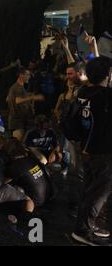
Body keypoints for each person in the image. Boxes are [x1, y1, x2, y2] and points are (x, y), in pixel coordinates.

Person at [71, 57, 112, 246]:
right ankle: (83, 229)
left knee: (89, 189)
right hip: (102, 152)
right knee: (99, 192)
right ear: (107, 75)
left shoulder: (83, 92)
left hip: (86, 149)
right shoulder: (106, 96)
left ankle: (87, 224)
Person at [6, 67, 45, 142]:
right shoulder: (18, 88)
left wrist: (27, 95)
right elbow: (18, 100)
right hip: (17, 121)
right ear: (21, 75)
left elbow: (7, 98)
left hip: (17, 120)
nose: (29, 77)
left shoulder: (15, 87)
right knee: (17, 145)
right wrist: (33, 97)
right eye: (27, 75)